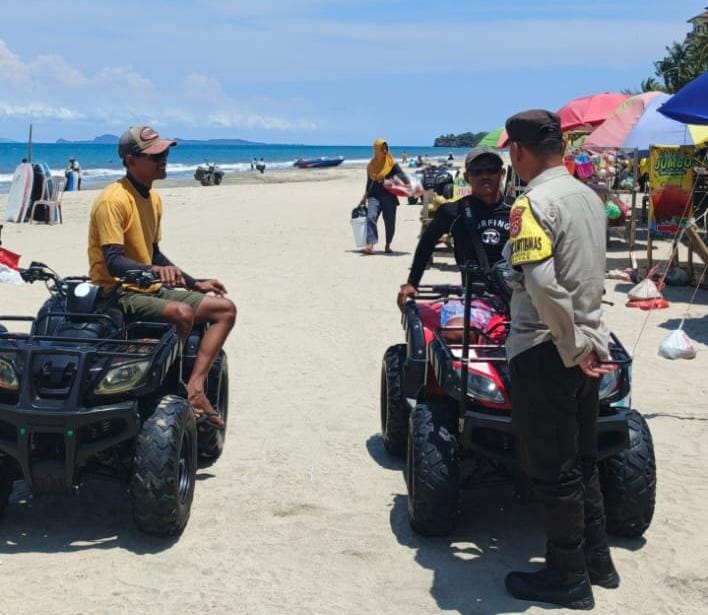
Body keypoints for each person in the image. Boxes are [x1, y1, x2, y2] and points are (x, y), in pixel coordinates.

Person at [501, 110, 615, 610]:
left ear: (517, 151)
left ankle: (568, 578)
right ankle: (598, 561)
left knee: (554, 469)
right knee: (584, 461)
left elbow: (543, 285)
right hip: (590, 338)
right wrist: (583, 345)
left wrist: (571, 348)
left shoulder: (532, 203)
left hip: (550, 347)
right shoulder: (588, 196)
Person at [87, 125, 237, 429]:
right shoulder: (113, 200)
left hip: (148, 288)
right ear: (131, 161)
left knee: (224, 310)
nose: (164, 159)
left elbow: (153, 253)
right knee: (182, 313)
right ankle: (164, 387)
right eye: (155, 156)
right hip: (117, 292)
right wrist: (154, 272)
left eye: (165, 153)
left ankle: (194, 387)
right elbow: (113, 262)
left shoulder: (153, 199)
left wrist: (194, 282)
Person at [397, 146, 510, 310]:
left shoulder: (518, 209)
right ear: (467, 177)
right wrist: (412, 282)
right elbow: (427, 241)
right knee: (455, 326)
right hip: (476, 300)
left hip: (518, 297)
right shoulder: (453, 211)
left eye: (491, 170)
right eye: (477, 171)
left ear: (502, 173)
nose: (485, 176)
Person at [359, 139, 409, 254]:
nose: (385, 151)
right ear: (376, 150)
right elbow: (369, 182)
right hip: (374, 196)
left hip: (389, 196)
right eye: (382, 149)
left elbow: (402, 176)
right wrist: (364, 197)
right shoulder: (371, 166)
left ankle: (388, 245)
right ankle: (370, 245)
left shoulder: (391, 163)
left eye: (386, 148)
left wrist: (387, 180)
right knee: (371, 217)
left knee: (389, 222)